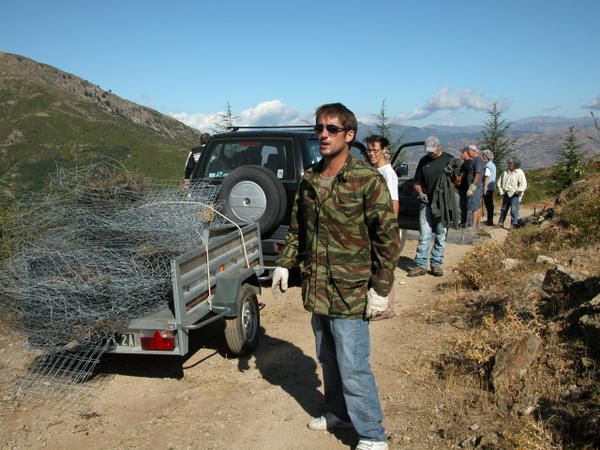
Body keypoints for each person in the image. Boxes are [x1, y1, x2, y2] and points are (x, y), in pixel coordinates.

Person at [272, 103, 399, 450]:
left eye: (331, 128)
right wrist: (285, 262)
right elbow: (298, 228)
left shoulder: (366, 181)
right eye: (319, 128)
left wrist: (381, 289)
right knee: (327, 358)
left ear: (349, 134)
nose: (323, 135)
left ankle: (372, 435)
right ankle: (337, 412)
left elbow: (388, 238)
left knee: (354, 365)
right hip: (319, 289)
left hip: (352, 291)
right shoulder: (311, 179)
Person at [407, 136, 459, 278]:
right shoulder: (424, 161)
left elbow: (457, 182)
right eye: (428, 151)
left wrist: (457, 173)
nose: (431, 153)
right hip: (426, 203)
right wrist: (420, 193)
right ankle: (420, 265)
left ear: (438, 146)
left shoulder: (449, 159)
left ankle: (436, 264)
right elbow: (417, 182)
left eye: (432, 150)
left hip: (443, 203)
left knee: (441, 234)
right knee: (425, 235)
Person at [366, 134, 399, 320]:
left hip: (384, 227)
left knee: (385, 266)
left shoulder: (388, 174)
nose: (371, 153)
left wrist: (389, 230)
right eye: (369, 150)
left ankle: (388, 307)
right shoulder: (373, 172)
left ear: (384, 151)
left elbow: (394, 203)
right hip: (373, 226)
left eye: (375, 150)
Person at [497, 157, 527, 229]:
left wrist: (519, 190)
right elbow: (499, 182)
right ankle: (500, 223)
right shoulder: (505, 172)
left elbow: (524, 183)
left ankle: (513, 224)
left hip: (515, 194)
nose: (509, 165)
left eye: (511, 163)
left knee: (514, 210)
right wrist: (502, 192)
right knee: (504, 209)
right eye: (509, 163)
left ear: (515, 165)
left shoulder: (519, 172)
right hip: (506, 193)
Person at [465, 144, 484, 230]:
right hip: (475, 186)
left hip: (475, 187)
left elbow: (478, 173)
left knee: (474, 207)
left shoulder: (478, 160)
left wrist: (473, 186)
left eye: (469, 152)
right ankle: (477, 225)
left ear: (473, 151)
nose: (468, 154)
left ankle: (473, 225)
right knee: (477, 206)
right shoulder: (475, 160)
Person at [457, 147, 472, 227]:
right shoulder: (467, 163)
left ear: (467, 153)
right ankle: (465, 222)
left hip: (465, 188)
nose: (461, 154)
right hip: (464, 188)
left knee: (464, 205)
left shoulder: (467, 163)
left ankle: (465, 222)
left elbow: (461, 176)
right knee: (464, 205)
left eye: (462, 153)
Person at [481, 149, 497, 226]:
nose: (482, 157)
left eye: (483, 155)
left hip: (488, 187)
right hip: (491, 187)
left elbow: (487, 177)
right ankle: (490, 220)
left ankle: (489, 220)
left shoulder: (488, 166)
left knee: (488, 204)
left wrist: (485, 188)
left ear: (487, 156)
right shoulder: (492, 165)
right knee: (490, 204)